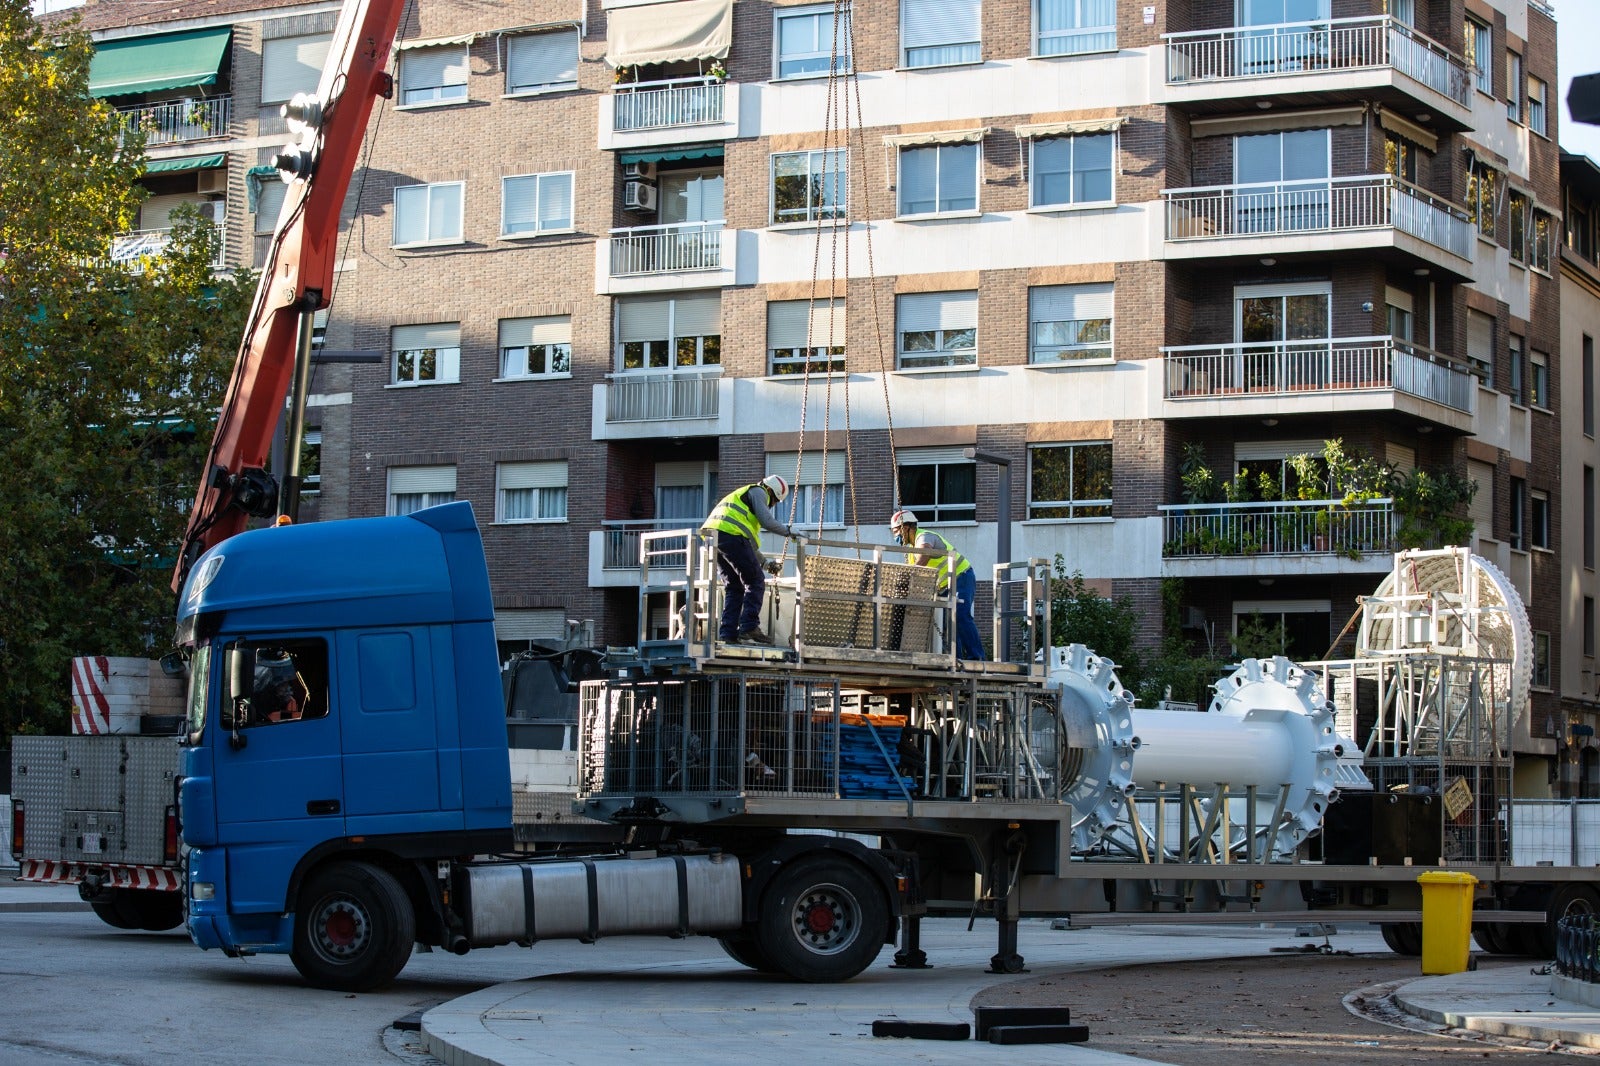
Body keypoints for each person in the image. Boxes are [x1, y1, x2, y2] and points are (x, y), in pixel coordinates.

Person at [701, 475, 794, 644]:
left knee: (735, 586)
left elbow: (748, 545)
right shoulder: (759, 492)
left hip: (714, 538)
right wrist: (790, 532)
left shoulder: (742, 505)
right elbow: (767, 521)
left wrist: (765, 563)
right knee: (756, 581)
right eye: (774, 502)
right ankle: (749, 626)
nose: (771, 505)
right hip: (729, 536)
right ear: (772, 493)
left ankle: (728, 634)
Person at [891, 509, 986, 661]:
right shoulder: (910, 550)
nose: (895, 536)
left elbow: (924, 555)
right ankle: (956, 659)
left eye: (896, 531)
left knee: (960, 615)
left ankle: (977, 658)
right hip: (943, 586)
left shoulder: (924, 536)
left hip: (961, 577)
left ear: (907, 527)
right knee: (946, 624)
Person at [252, 647, 302, 724]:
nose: (288, 688)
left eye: (287, 682)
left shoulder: (292, 703)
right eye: (282, 683)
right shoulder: (260, 704)